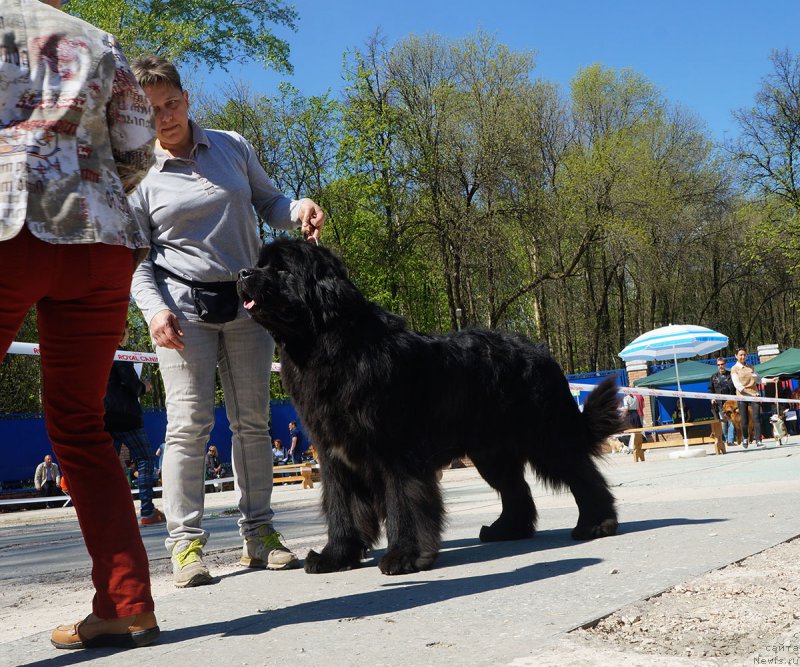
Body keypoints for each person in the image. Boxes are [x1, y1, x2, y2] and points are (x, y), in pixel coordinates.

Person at [129, 56, 326, 587]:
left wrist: (299, 206)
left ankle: (260, 532)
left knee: (253, 422)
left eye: (171, 104)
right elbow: (137, 261)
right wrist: (153, 311)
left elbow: (270, 202)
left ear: (186, 98)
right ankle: (185, 545)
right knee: (187, 426)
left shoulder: (232, 145)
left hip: (248, 305)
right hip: (181, 313)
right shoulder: (138, 174)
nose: (165, 117)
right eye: (151, 111)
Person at [0, 0, 159, 650]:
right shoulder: (99, 37)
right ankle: (127, 603)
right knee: (80, 426)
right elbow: (136, 142)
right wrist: (90, 183)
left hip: (10, 225)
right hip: (101, 237)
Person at [104, 324, 165, 525]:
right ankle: (147, 511)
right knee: (146, 460)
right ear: (123, 333)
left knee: (107, 466)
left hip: (105, 417)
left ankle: (108, 512)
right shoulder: (120, 354)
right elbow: (134, 387)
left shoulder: (99, 354)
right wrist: (144, 387)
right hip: (127, 417)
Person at [730, 347, 764, 448]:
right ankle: (745, 438)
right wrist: (749, 394)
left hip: (754, 394)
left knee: (756, 418)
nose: (743, 357)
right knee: (744, 420)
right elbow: (738, 386)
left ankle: (758, 440)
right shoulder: (734, 369)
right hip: (742, 396)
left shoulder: (750, 367)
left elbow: (758, 380)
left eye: (744, 354)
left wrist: (771, 380)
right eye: (740, 355)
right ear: (736, 356)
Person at [708, 357, 736, 447]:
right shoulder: (714, 377)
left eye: (722, 364)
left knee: (732, 420)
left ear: (725, 364)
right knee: (724, 422)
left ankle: (730, 440)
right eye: (719, 365)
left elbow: (736, 387)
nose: (720, 366)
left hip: (731, 403)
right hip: (720, 404)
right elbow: (710, 389)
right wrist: (712, 398)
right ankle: (727, 439)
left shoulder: (731, 375)